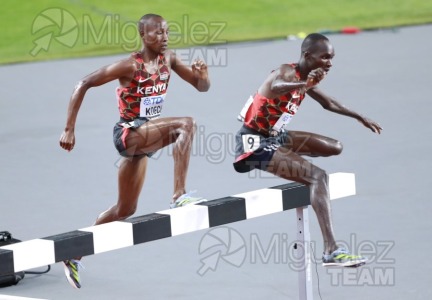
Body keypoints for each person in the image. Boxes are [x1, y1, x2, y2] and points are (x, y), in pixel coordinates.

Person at [59, 13, 210, 288]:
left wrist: (203, 76)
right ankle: (179, 195)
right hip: (128, 134)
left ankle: (73, 252)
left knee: (124, 208)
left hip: (145, 137)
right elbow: (83, 83)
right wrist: (69, 128)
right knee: (186, 125)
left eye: (166, 32)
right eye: (157, 34)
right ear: (143, 36)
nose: (163, 38)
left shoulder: (170, 59)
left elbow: (201, 87)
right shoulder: (129, 66)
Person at [234, 33, 382, 267]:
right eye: (325, 57)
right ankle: (331, 250)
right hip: (254, 141)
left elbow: (329, 103)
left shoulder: (304, 80)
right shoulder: (286, 72)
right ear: (307, 56)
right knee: (318, 177)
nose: (329, 63)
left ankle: (290, 162)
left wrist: (359, 116)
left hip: (276, 138)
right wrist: (306, 85)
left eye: (332, 58)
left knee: (335, 147)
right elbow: (276, 87)